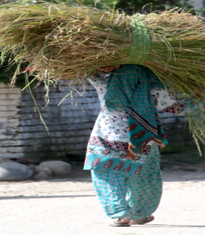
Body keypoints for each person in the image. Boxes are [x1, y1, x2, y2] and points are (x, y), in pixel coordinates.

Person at [83, 64, 195, 227]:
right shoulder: (150, 86)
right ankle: (140, 214)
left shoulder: (106, 84)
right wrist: (200, 97)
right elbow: (177, 108)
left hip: (107, 137)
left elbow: (88, 71)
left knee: (107, 174)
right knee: (144, 176)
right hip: (143, 138)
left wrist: (103, 67)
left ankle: (121, 215)